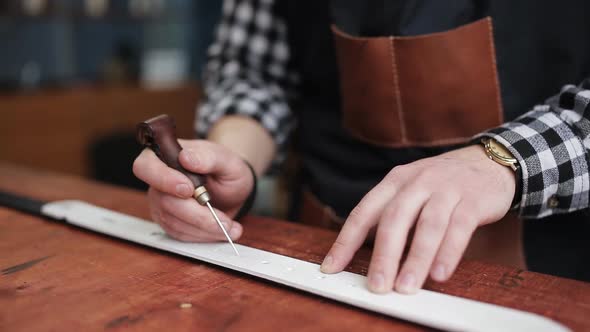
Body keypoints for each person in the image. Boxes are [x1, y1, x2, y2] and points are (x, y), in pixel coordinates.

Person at [133, 0, 590, 294]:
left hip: (540, 273)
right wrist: (230, 159)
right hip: (320, 255)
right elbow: (254, 72)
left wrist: (500, 161)